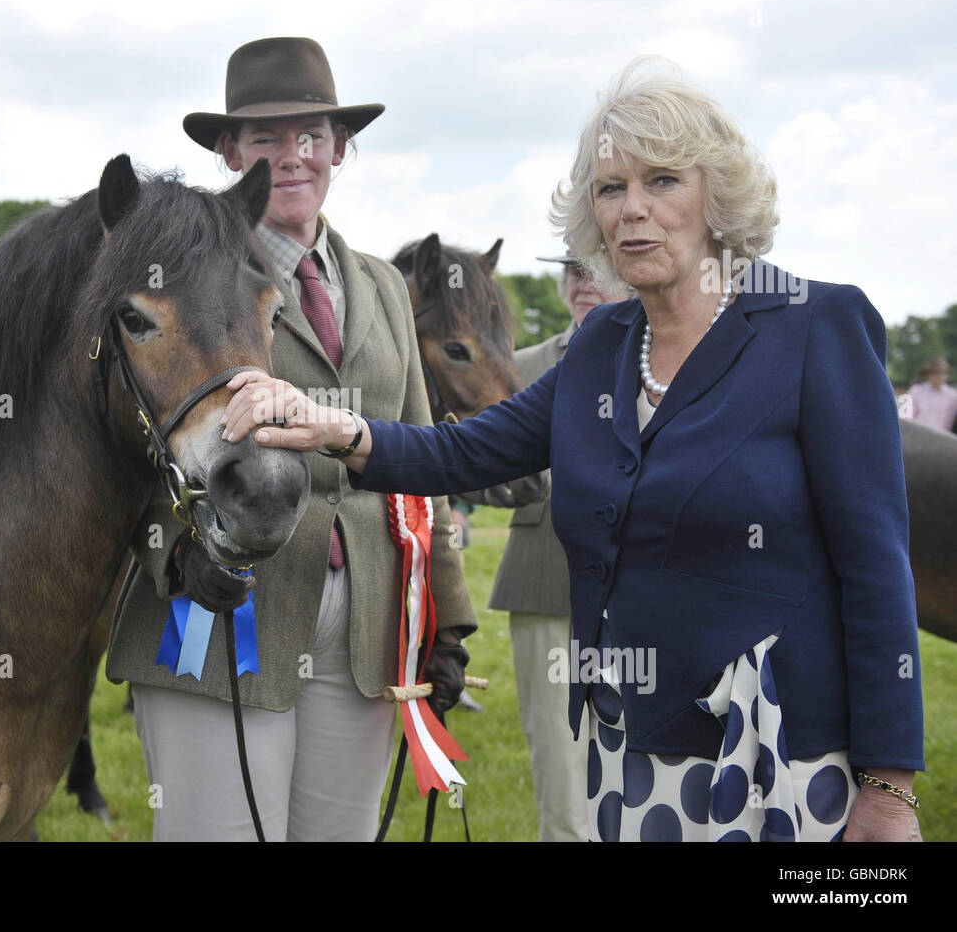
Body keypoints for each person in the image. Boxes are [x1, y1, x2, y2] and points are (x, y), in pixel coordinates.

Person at [223, 59, 924, 842]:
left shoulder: (814, 326)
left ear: (716, 195)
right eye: (610, 188)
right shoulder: (601, 344)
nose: (634, 211)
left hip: (784, 752)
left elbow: (876, 564)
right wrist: (339, 428)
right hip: (629, 745)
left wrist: (888, 786)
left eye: (662, 181)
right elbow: (467, 455)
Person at [105, 37, 475, 842]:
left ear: (341, 148)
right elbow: (117, 441)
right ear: (230, 153)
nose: (292, 156)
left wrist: (448, 616)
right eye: (266, 139)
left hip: (365, 630)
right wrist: (175, 554)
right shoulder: (173, 272)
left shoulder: (380, 283)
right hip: (222, 617)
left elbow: (421, 453)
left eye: (311, 135)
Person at [478, 253, 629, 841]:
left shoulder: (670, 359)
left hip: (648, 589)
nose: (582, 282)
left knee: (647, 756)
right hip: (545, 583)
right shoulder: (518, 367)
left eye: (597, 269)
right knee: (562, 760)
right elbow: (472, 469)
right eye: (573, 271)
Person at [908, 356, 957, 432]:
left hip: (943, 439)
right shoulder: (916, 391)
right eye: (935, 373)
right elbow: (908, 416)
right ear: (927, 375)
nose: (939, 376)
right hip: (918, 435)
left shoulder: (953, 396)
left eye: (942, 372)